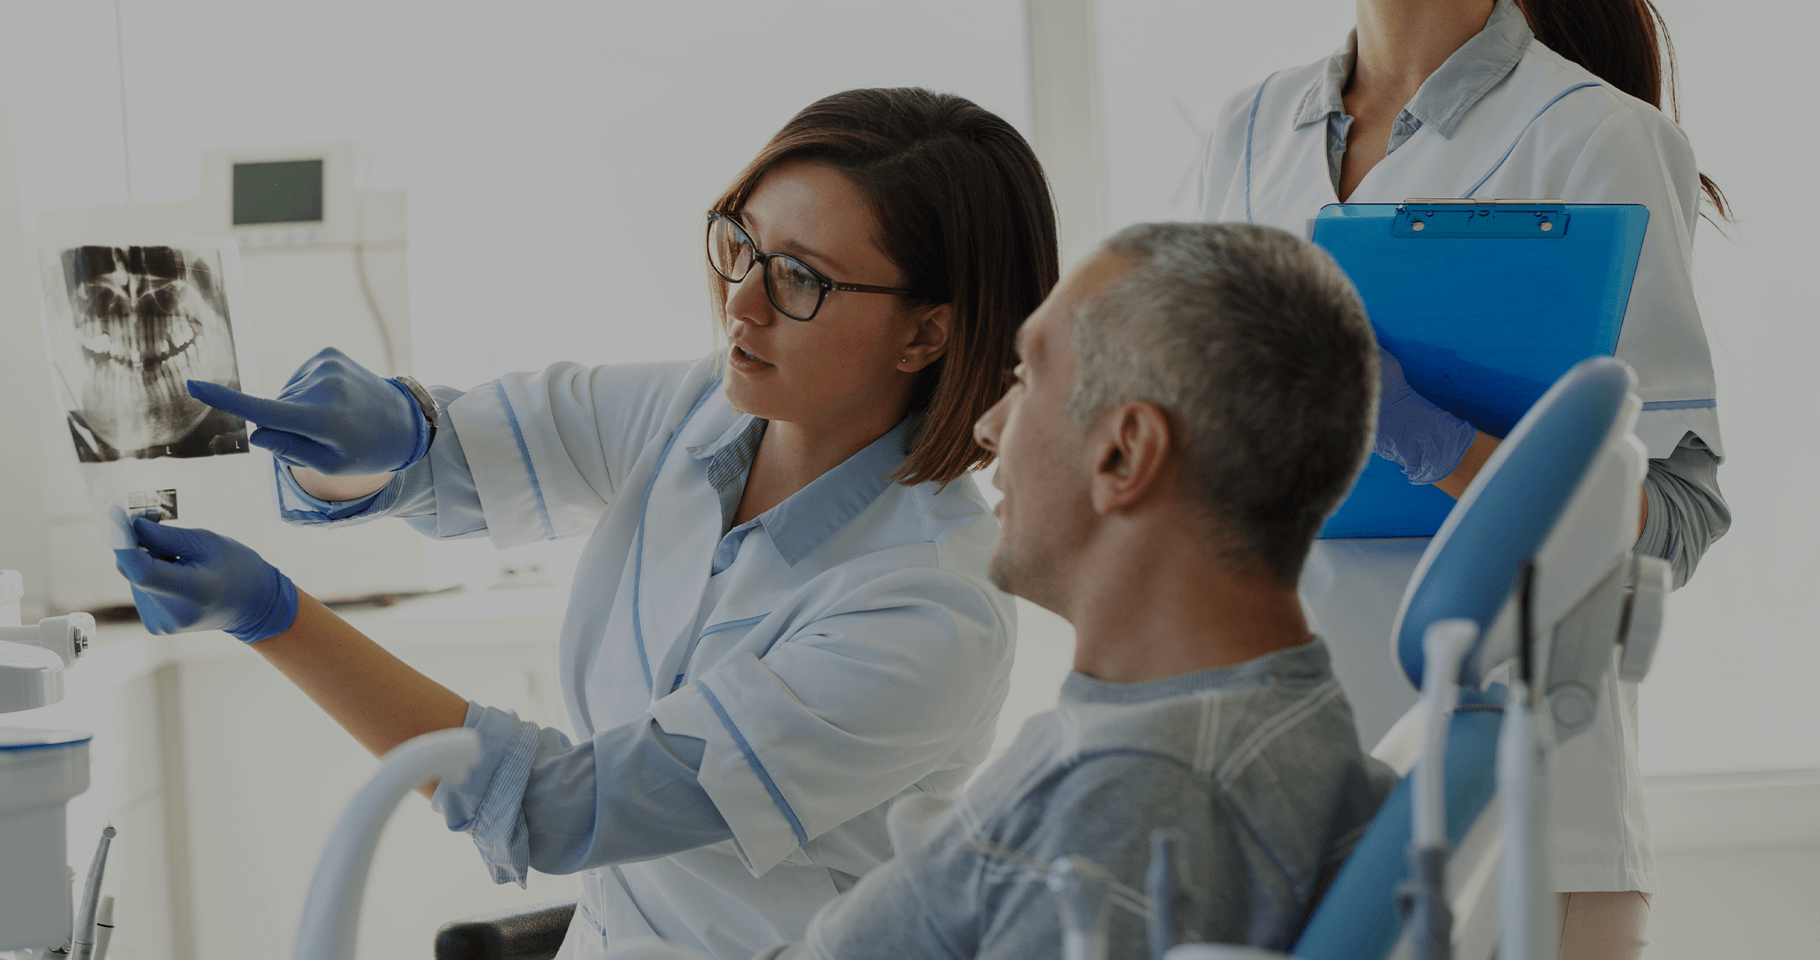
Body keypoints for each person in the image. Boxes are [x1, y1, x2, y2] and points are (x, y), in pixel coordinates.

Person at [111, 87, 1059, 959]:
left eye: (800, 279)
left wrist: (273, 616)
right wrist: (379, 436)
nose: (741, 301)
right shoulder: (703, 411)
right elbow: (457, 456)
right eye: (742, 243)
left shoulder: (930, 606)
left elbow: (562, 810)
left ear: (926, 333)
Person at [1188, 2, 1732, 956]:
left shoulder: (1596, 134)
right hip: (1281, 795)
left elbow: (1676, 515)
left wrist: (1430, 440)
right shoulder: (1246, 129)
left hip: (1523, 819)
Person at [745, 222, 1396, 960]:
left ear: (1124, 454)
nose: (989, 426)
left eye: (1025, 378)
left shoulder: (1132, 801)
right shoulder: (1273, 716)